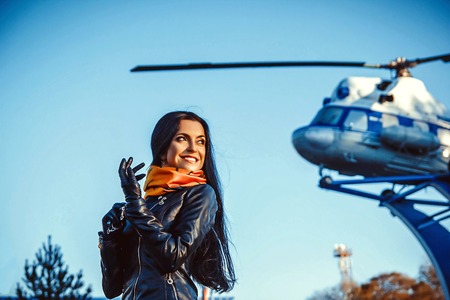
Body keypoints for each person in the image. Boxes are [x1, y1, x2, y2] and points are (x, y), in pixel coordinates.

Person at [98, 111, 236, 299]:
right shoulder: (142, 205)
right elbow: (112, 289)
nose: (193, 148)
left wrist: (135, 204)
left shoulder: (201, 194)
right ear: (162, 150)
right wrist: (110, 239)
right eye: (182, 138)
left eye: (200, 141)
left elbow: (173, 257)